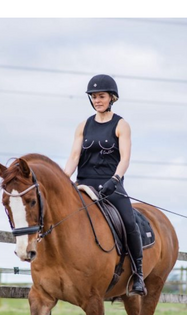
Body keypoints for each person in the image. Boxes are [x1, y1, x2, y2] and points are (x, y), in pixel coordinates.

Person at [63, 74, 147, 296]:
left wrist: (115, 180)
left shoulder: (121, 125)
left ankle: (138, 273)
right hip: (84, 184)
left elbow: (125, 159)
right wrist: (63, 180)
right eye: (93, 97)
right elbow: (73, 157)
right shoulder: (83, 125)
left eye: (101, 96)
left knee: (130, 222)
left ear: (112, 98)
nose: (97, 100)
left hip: (111, 185)